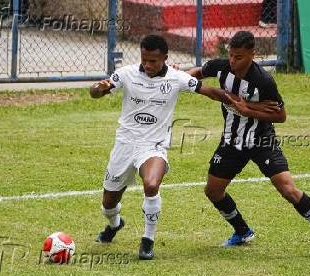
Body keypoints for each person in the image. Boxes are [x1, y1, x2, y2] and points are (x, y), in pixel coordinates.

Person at [187, 31, 310, 259]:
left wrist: (248, 110)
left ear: (253, 55)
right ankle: (242, 231)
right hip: (232, 141)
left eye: (239, 57)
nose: (233, 61)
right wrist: (181, 80)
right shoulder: (221, 67)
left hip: (262, 141)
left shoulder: (263, 81)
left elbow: (281, 115)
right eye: (231, 55)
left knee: (289, 190)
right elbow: (198, 72)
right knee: (213, 191)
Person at [90, 34, 229, 260]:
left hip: (153, 146)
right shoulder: (126, 74)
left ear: (165, 58)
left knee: (152, 184)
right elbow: (97, 91)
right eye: (144, 59)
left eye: (153, 61)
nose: (148, 64)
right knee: (108, 203)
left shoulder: (177, 78)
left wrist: (237, 101)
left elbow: (209, 91)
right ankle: (114, 224)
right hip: (125, 145)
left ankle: (147, 240)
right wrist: (99, 88)